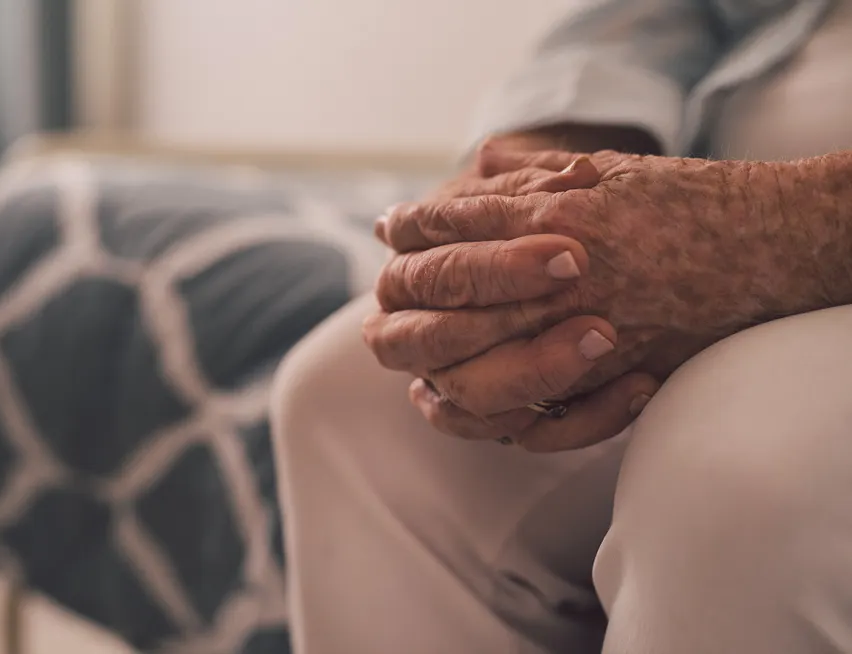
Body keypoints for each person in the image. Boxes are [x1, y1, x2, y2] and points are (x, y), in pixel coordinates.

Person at [271, 0, 852, 652]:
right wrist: (535, 172)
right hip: (725, 161)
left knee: (735, 476)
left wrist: (780, 227)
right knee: (350, 396)